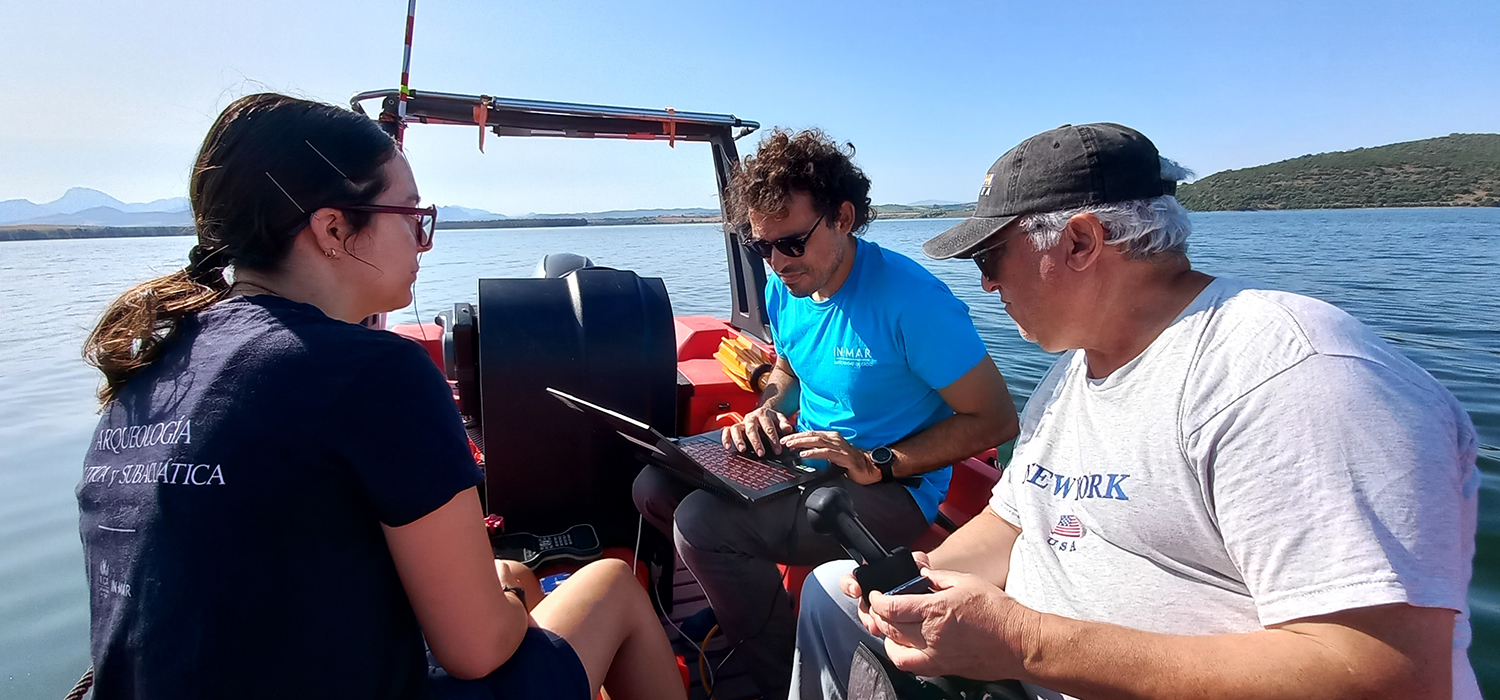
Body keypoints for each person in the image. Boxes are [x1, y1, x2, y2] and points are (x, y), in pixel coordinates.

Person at [792, 122, 1481, 700]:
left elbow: (1389, 675)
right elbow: (1013, 523)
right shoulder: (1075, 370)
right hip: (1027, 672)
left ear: (1082, 242)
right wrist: (918, 585)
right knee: (833, 592)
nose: (987, 283)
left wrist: (1026, 644)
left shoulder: (1297, 378)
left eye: (993, 256)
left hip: (1043, 668)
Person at [76, 93, 685, 700]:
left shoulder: (146, 366)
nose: (423, 240)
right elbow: (475, 650)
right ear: (333, 229)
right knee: (611, 588)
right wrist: (505, 595)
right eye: (411, 215)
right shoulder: (372, 372)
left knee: (514, 584)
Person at [632, 128, 1020, 699]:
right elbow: (788, 373)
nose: (776, 262)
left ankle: (777, 675)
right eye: (761, 247)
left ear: (842, 217)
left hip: (892, 486)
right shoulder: (786, 287)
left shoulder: (913, 302)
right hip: (807, 460)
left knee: (702, 525)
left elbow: (997, 420)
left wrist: (877, 461)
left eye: (791, 243)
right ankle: (748, 607)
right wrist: (767, 410)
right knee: (653, 484)